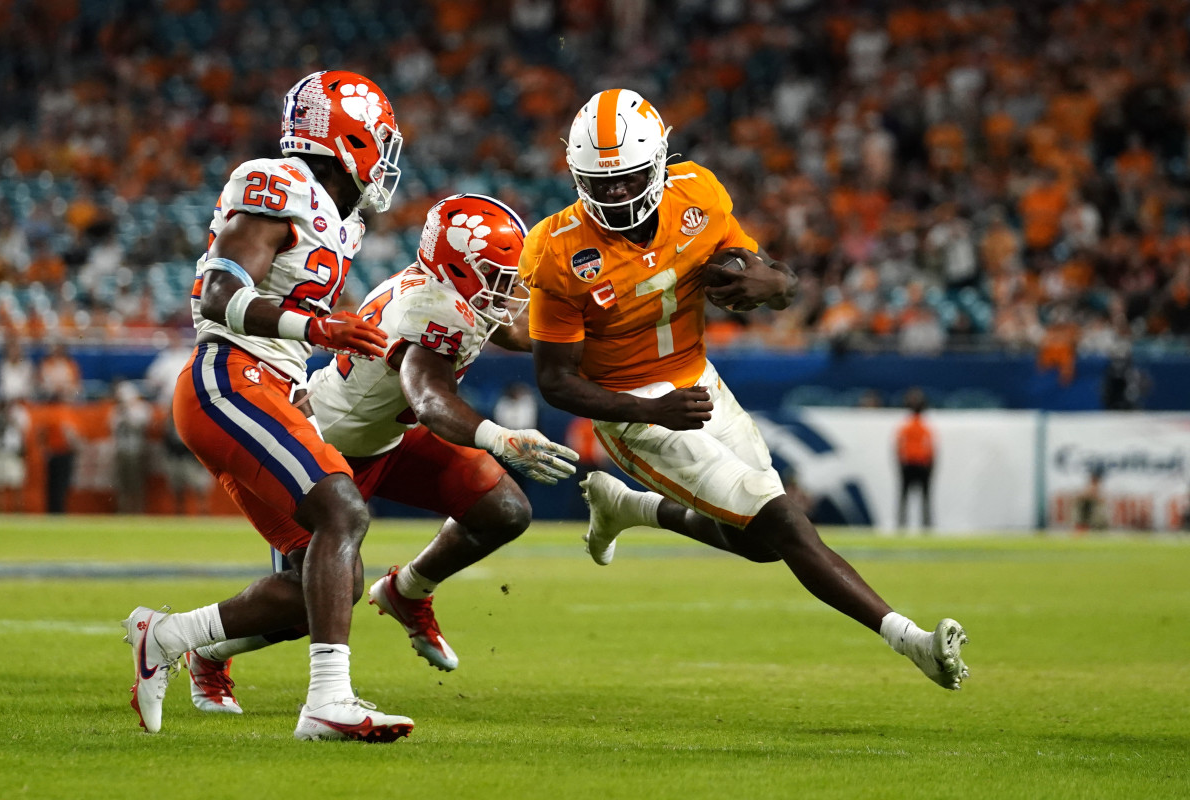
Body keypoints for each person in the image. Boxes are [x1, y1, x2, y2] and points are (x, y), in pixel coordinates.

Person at [520, 89, 969, 691]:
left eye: (628, 180)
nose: (617, 196)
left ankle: (629, 507)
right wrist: (648, 408)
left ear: (658, 164)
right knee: (784, 522)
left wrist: (770, 281)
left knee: (761, 543)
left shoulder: (698, 197)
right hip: (634, 410)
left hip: (698, 383)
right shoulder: (557, 250)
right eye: (601, 184)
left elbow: (782, 284)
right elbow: (555, 382)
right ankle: (910, 640)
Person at [176, 195, 577, 714]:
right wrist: (500, 438)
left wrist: (591, 324)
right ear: (459, 269)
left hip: (387, 436)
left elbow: (518, 329)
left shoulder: (456, 289)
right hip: (325, 446)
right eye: (498, 275)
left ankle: (407, 590)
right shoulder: (429, 308)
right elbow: (431, 401)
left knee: (503, 510)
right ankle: (207, 651)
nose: (510, 288)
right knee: (310, 601)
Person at [122, 70, 414, 742]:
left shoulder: (341, 219)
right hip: (228, 377)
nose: (385, 159)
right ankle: (326, 704)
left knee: (322, 581)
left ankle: (165, 637)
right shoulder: (277, 181)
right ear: (349, 139)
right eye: (378, 141)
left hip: (271, 386)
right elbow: (217, 291)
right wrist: (317, 328)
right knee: (343, 508)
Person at [895, 388, 936, 530]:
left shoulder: (907, 427)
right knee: (923, 497)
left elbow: (899, 447)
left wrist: (901, 463)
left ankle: (903, 523)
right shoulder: (923, 427)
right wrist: (930, 466)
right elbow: (930, 449)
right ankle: (925, 524)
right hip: (920, 464)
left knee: (906, 497)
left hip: (910, 464)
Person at [110, 381, 153, 514]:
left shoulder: (142, 408)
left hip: (137, 450)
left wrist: (127, 413)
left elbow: (140, 425)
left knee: (137, 482)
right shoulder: (117, 410)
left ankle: (137, 509)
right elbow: (112, 427)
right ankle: (124, 509)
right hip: (121, 450)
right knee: (122, 482)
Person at [0, 397, 30, 512]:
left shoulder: (20, 414)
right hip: (0, 451)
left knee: (16, 483)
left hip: (14, 452)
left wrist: (12, 419)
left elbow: (24, 431)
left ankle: (18, 509)